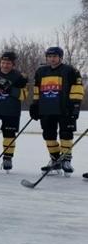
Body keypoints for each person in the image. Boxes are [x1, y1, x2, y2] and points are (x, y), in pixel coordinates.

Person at [30, 47, 84, 176]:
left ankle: (66, 160)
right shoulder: (41, 71)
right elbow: (37, 89)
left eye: (55, 56)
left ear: (60, 57)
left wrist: (75, 106)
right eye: (49, 56)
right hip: (46, 109)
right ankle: (55, 160)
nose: (52, 59)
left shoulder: (71, 71)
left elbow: (77, 89)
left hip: (65, 109)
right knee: (49, 135)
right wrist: (35, 105)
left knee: (66, 134)